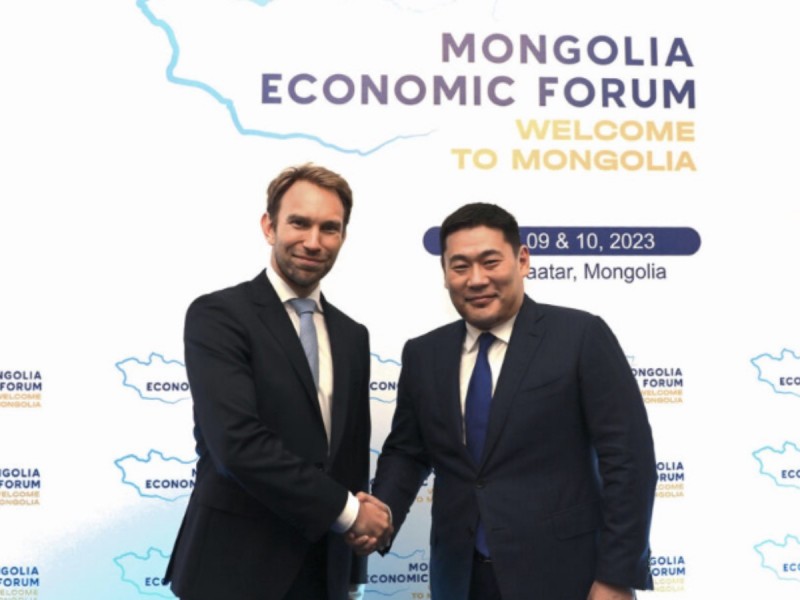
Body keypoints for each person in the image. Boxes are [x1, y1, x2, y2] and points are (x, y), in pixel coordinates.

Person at [368, 203, 657, 600]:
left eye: (490, 262)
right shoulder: (424, 354)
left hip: (565, 577)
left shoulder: (580, 336)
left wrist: (616, 576)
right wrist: (380, 513)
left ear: (522, 260)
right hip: (460, 579)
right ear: (445, 274)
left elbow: (629, 460)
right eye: (460, 266)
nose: (476, 279)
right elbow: (408, 451)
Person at [164, 163, 392, 600]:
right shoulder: (219, 316)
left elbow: (348, 459)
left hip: (323, 571)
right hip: (232, 570)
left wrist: (351, 569)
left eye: (329, 228)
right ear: (269, 227)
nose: (313, 241)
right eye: (299, 223)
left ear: (343, 236)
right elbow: (237, 443)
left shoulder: (352, 335)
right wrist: (349, 512)